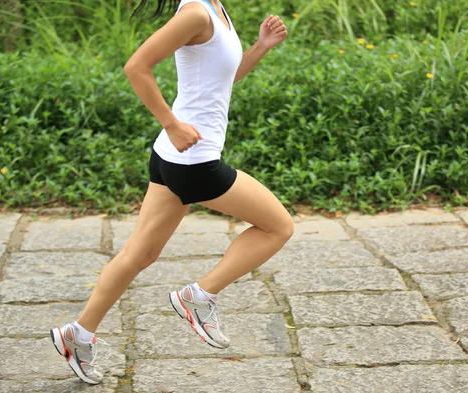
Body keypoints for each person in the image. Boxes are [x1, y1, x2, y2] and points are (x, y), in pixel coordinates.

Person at [49, 0, 292, 385]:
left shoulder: (216, 9)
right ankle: (199, 297)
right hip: (193, 160)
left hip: (171, 156)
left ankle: (76, 334)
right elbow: (136, 67)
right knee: (278, 227)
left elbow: (223, 79)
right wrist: (172, 123)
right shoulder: (195, 12)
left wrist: (260, 47)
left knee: (139, 253)